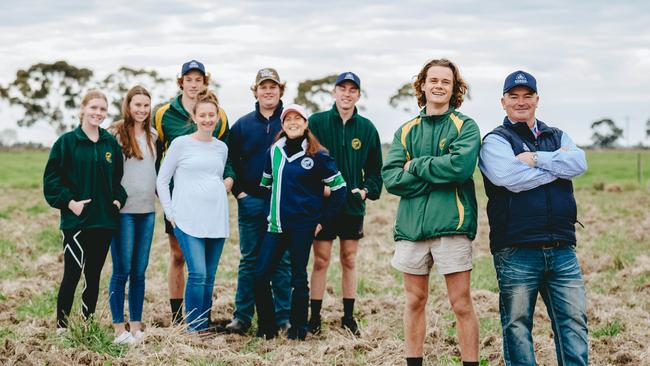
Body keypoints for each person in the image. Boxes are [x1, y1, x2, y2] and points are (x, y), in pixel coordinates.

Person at [478, 70, 589, 366]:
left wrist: (538, 159)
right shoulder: (495, 141)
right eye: (514, 97)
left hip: (562, 247)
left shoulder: (557, 135)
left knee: (574, 323)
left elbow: (579, 162)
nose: (521, 102)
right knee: (517, 326)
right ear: (503, 101)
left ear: (537, 99)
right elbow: (509, 178)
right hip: (516, 248)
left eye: (527, 96)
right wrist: (558, 167)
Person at [382, 59, 481, 366]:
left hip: (452, 226)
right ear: (422, 85)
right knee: (414, 301)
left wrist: (418, 165)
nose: (438, 86)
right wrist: (437, 174)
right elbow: (392, 178)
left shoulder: (466, 127)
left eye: (445, 82)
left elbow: (460, 167)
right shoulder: (405, 130)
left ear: (454, 89)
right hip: (411, 229)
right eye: (433, 80)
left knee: (461, 303)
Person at [253, 104, 347, 341]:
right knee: (261, 275)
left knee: (298, 278)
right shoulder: (274, 150)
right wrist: (271, 211)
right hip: (275, 226)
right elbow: (266, 185)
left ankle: (298, 329)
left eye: (298, 119)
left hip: (302, 228)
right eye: (288, 119)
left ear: (306, 124)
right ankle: (267, 328)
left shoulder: (318, 154)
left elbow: (340, 189)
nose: (292, 122)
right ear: (282, 125)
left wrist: (321, 221)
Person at [154, 60, 234, 325]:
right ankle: (186, 321)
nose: (193, 83)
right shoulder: (165, 115)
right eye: (189, 79)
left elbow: (224, 162)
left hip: (213, 214)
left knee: (206, 274)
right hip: (182, 206)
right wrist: (169, 209)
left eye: (198, 79)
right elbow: (160, 169)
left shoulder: (220, 139)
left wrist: (229, 181)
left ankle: (202, 321)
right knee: (185, 262)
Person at [43, 90, 127, 333]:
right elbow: (51, 181)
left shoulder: (110, 144)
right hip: (76, 221)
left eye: (102, 109)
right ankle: (62, 327)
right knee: (72, 273)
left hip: (103, 222)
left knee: (93, 276)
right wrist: (70, 203)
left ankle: (87, 326)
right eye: (93, 108)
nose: (98, 113)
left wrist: (117, 202)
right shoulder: (67, 142)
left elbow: (118, 180)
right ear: (83, 109)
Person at [307, 71, 383, 336]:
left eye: (352, 90)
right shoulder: (315, 122)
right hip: (324, 205)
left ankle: (348, 317)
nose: (347, 94)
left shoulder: (367, 128)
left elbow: (375, 170)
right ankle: (314, 318)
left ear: (358, 95)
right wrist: (319, 188)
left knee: (349, 259)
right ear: (334, 92)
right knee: (321, 260)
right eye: (342, 89)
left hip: (351, 206)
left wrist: (365, 192)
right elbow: (305, 163)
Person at [225, 68, 291, 334]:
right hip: (250, 201)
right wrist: (239, 192)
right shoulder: (242, 125)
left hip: (282, 204)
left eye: (273, 86)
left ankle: (282, 317)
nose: (268, 91)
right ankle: (242, 317)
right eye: (263, 86)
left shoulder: (290, 122)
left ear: (280, 90)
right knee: (249, 259)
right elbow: (229, 160)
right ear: (256, 90)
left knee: (282, 260)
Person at [107, 86, 157, 344]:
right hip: (123, 213)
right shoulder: (115, 134)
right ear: (128, 106)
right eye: (137, 105)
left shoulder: (152, 135)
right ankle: (119, 328)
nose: (141, 110)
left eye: (146, 105)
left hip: (147, 212)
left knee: (140, 271)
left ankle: (136, 325)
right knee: (122, 270)